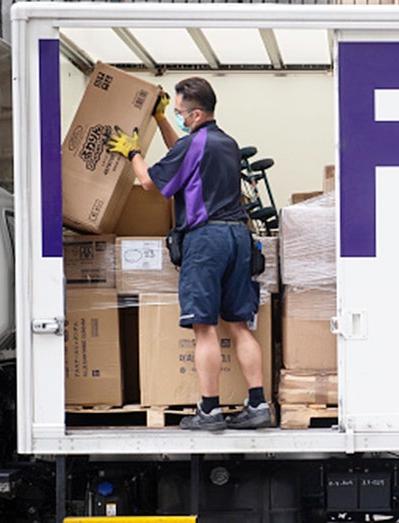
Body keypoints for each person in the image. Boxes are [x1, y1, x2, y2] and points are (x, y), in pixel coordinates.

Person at [107, 78, 271, 431]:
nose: (178, 117)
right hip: (238, 237)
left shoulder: (195, 145)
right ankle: (258, 405)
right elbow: (183, 151)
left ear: (196, 114)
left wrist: (132, 153)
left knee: (204, 328)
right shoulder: (227, 143)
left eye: (180, 112)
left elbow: (151, 182)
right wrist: (162, 119)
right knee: (239, 326)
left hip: (206, 240)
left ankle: (209, 411)